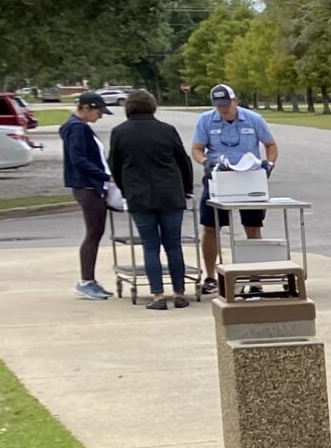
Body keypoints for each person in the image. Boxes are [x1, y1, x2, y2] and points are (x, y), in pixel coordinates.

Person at [104, 89, 195, 310]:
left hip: (139, 195)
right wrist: (186, 188)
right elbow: (183, 161)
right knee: (173, 245)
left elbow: (115, 165)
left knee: (150, 246)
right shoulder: (167, 130)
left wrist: (125, 189)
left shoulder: (119, 132)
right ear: (152, 106)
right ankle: (179, 292)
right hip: (170, 193)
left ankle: (157, 295)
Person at [191, 83, 279, 293]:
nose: (223, 109)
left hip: (249, 177)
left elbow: (270, 145)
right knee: (211, 227)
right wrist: (204, 161)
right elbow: (197, 148)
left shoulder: (253, 119)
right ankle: (211, 277)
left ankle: (255, 278)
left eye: (226, 105)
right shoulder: (205, 120)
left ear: (235, 101)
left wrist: (269, 164)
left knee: (253, 227)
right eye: (219, 105)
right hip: (219, 177)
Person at [61, 90, 112, 300]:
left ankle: (89, 280)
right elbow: (79, 159)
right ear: (86, 108)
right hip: (87, 186)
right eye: (98, 112)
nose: (99, 117)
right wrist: (104, 176)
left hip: (90, 185)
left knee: (96, 231)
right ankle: (86, 281)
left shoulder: (80, 127)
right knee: (93, 232)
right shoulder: (77, 128)